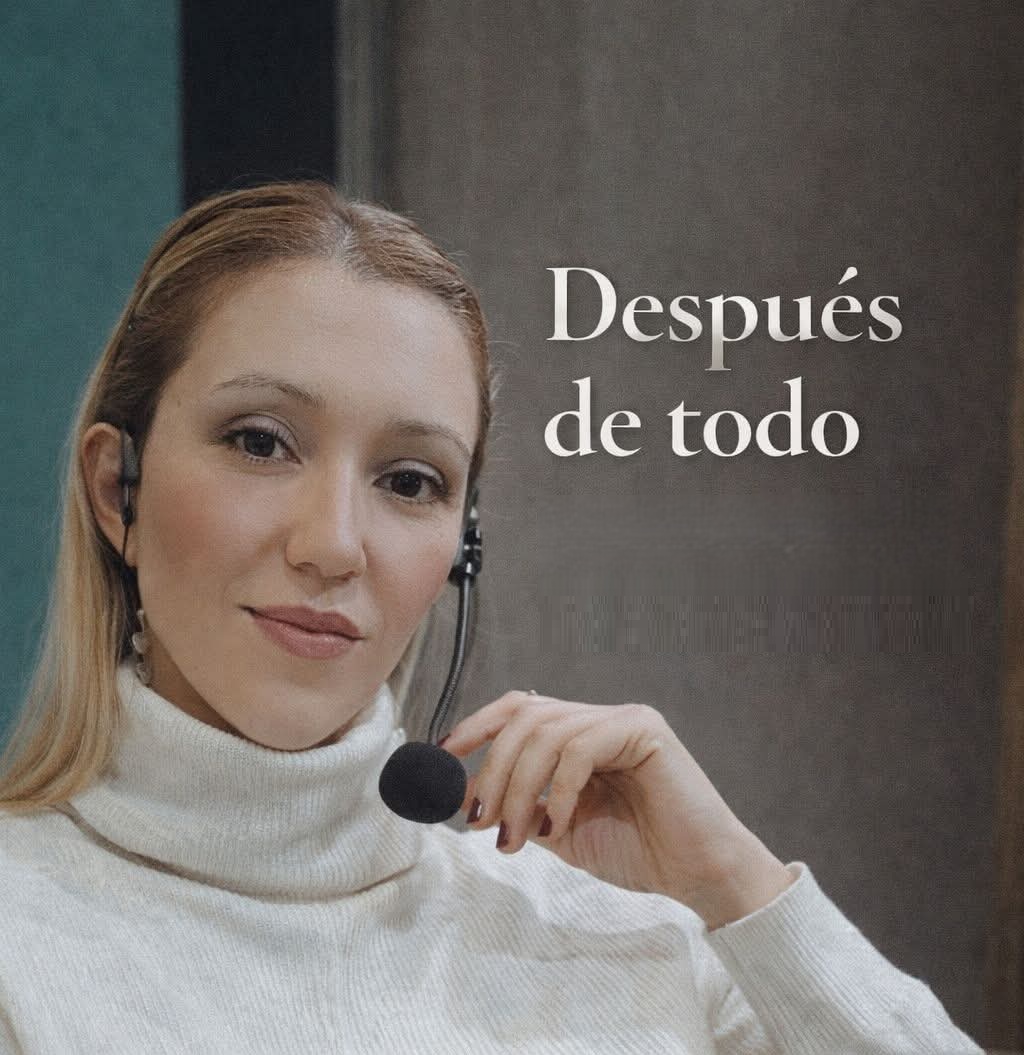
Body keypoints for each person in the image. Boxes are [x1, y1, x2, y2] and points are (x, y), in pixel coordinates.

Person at [0, 182, 982, 1054]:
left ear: (458, 548)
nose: (334, 544)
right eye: (261, 442)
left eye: (409, 480)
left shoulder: (623, 931)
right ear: (117, 490)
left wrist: (733, 882)